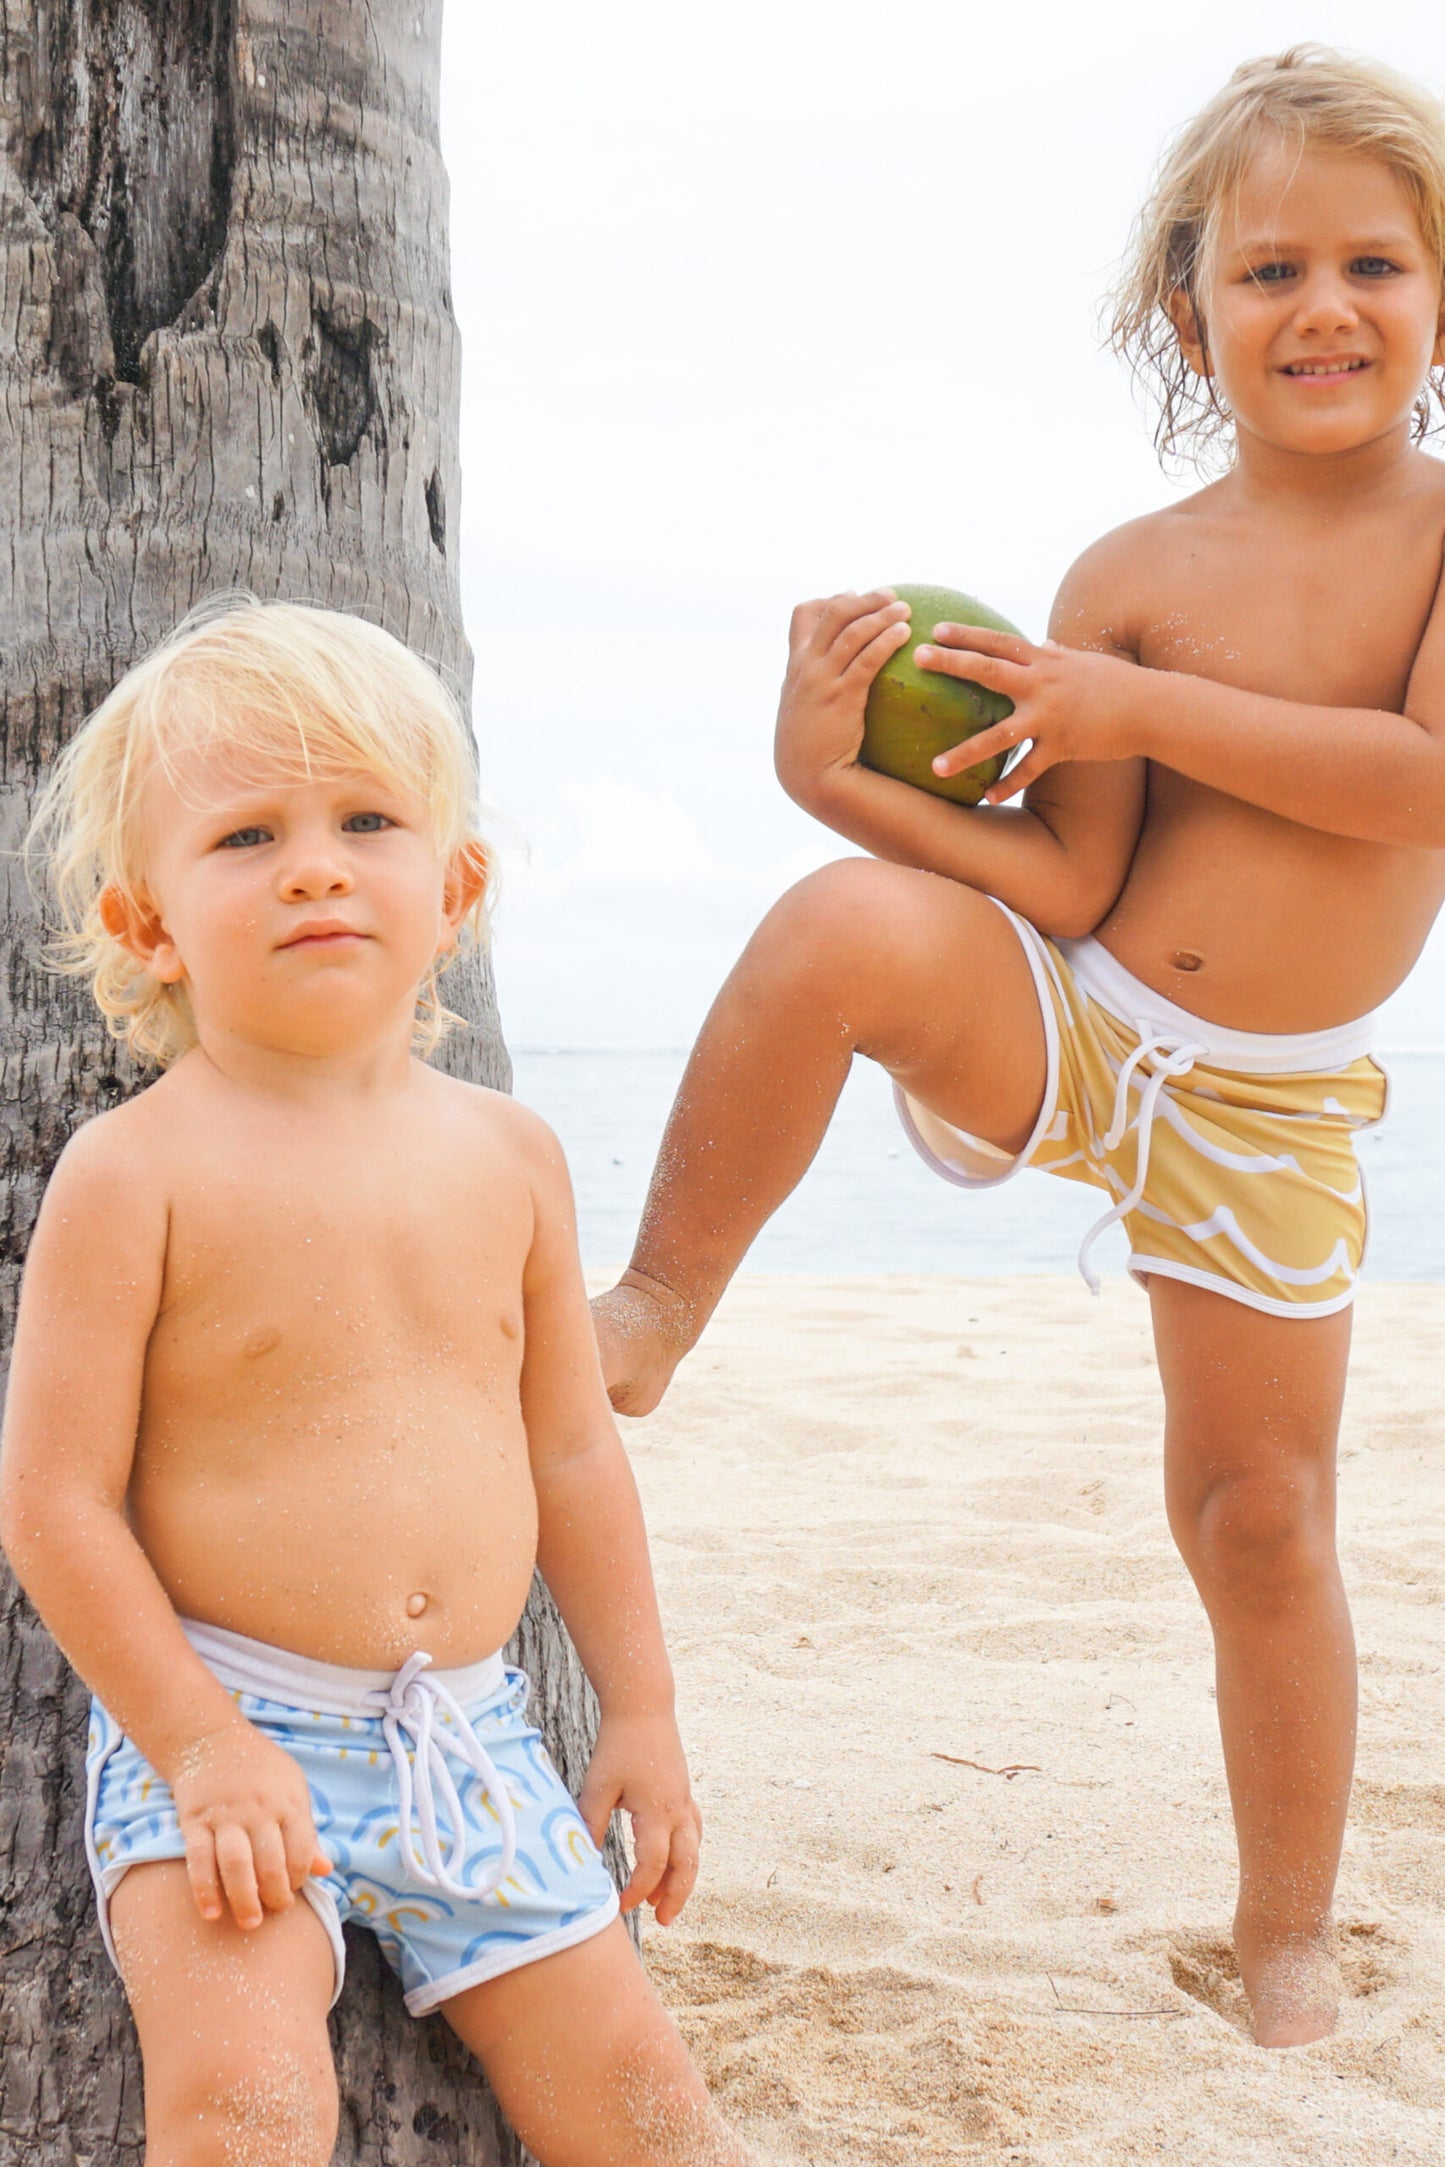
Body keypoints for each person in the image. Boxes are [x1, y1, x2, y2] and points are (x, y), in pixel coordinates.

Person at [592, 44, 1445, 2049]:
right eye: (1265, 273)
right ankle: (651, 1303)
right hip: (1078, 1020)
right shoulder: (1122, 588)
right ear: (1188, 310)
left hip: (1265, 1111)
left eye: (1376, 265)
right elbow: (1062, 881)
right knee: (837, 937)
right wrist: (835, 787)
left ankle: (1289, 1939)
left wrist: (1134, 715)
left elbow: (1423, 780)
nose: (1321, 308)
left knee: (1256, 1516)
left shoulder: (1435, 545)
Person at [0, 599, 752, 2167]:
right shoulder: (134, 1174)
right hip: (227, 1715)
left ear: (455, 887)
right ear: (148, 925)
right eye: (247, 835)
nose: (316, 864)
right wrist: (203, 1745)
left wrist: (644, 1706)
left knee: (648, 2109)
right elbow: (53, 1502)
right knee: (247, 2106)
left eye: (365, 820)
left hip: (466, 1735)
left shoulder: (510, 1155)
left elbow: (568, 1453)